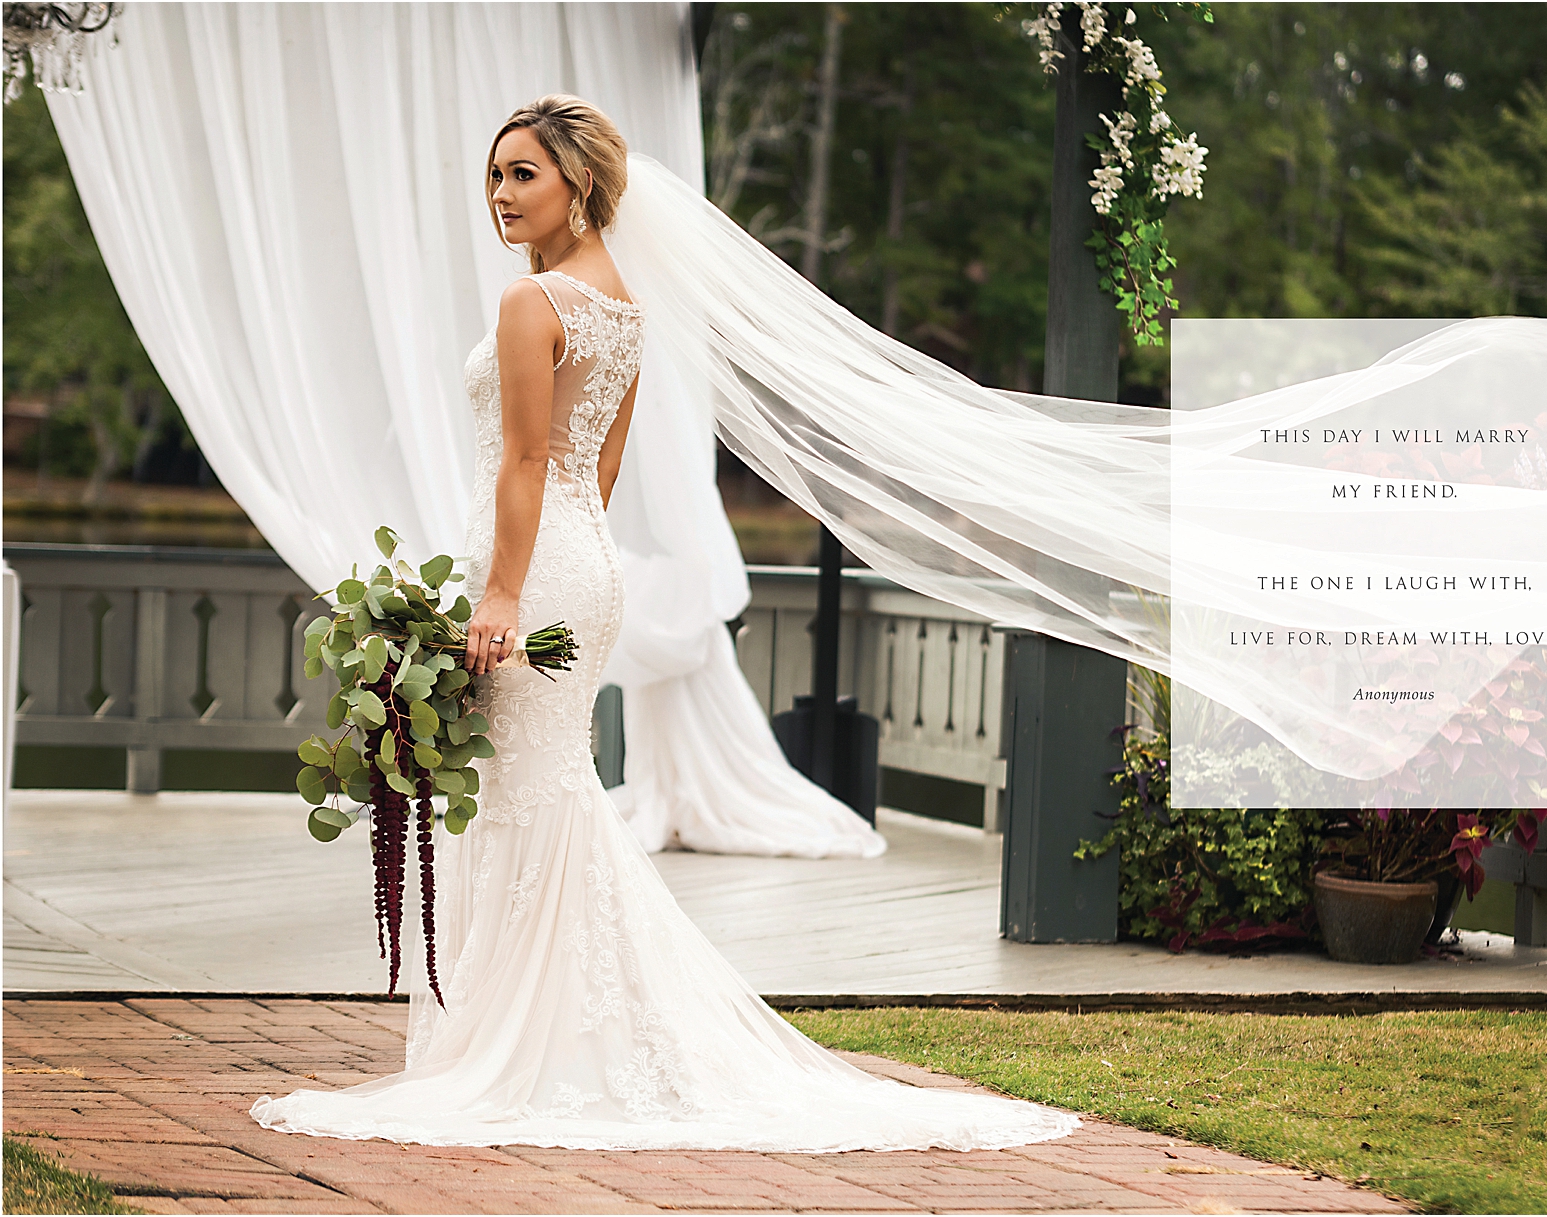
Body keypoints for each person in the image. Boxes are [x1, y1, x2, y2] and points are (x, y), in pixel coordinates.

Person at [250, 95, 1076, 1153]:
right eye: (494, 175)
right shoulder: (625, 307)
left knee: (524, 795)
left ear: (577, 183)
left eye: (523, 175)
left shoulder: (533, 302)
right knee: (541, 789)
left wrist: (498, 593)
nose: (501, 195)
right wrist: (541, 571)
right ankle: (548, 1029)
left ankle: (527, 1041)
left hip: (529, 569)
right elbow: (597, 470)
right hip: (582, 562)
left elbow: (522, 461)